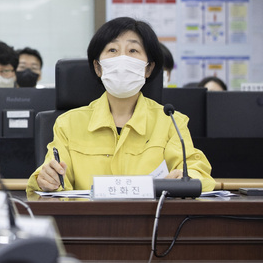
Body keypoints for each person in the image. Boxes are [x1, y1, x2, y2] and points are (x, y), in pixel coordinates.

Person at [28, 17, 215, 193]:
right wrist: (45, 179)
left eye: (133, 51)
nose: (122, 59)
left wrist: (186, 178)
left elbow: (198, 173)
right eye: (112, 50)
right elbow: (51, 177)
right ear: (98, 67)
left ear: (148, 68)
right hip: (87, 221)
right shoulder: (68, 123)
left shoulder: (170, 121)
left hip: (152, 221)